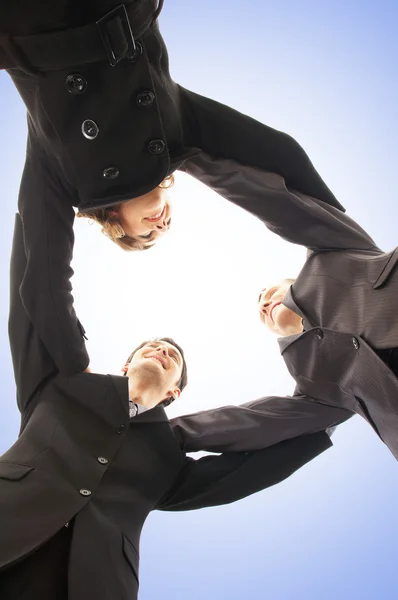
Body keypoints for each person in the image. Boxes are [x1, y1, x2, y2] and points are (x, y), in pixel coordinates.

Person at [0, 0, 344, 376]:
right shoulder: (178, 133)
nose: (160, 226)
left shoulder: (59, 176)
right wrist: (339, 245)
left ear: (117, 225)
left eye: (146, 234)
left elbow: (43, 285)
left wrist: (81, 377)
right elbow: (280, 153)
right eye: (165, 229)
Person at [0, 214, 333, 600]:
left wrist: (335, 407)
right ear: (126, 366)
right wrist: (44, 211)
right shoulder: (59, 388)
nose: (161, 349)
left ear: (174, 392)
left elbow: (250, 471)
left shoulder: (170, 465)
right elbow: (33, 306)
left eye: (172, 355)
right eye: (152, 346)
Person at [171, 154, 398, 460]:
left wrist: (189, 159)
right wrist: (167, 435)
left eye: (269, 291)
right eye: (259, 306)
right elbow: (250, 423)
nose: (264, 300)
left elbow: (276, 202)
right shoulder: (313, 387)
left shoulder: (333, 252)